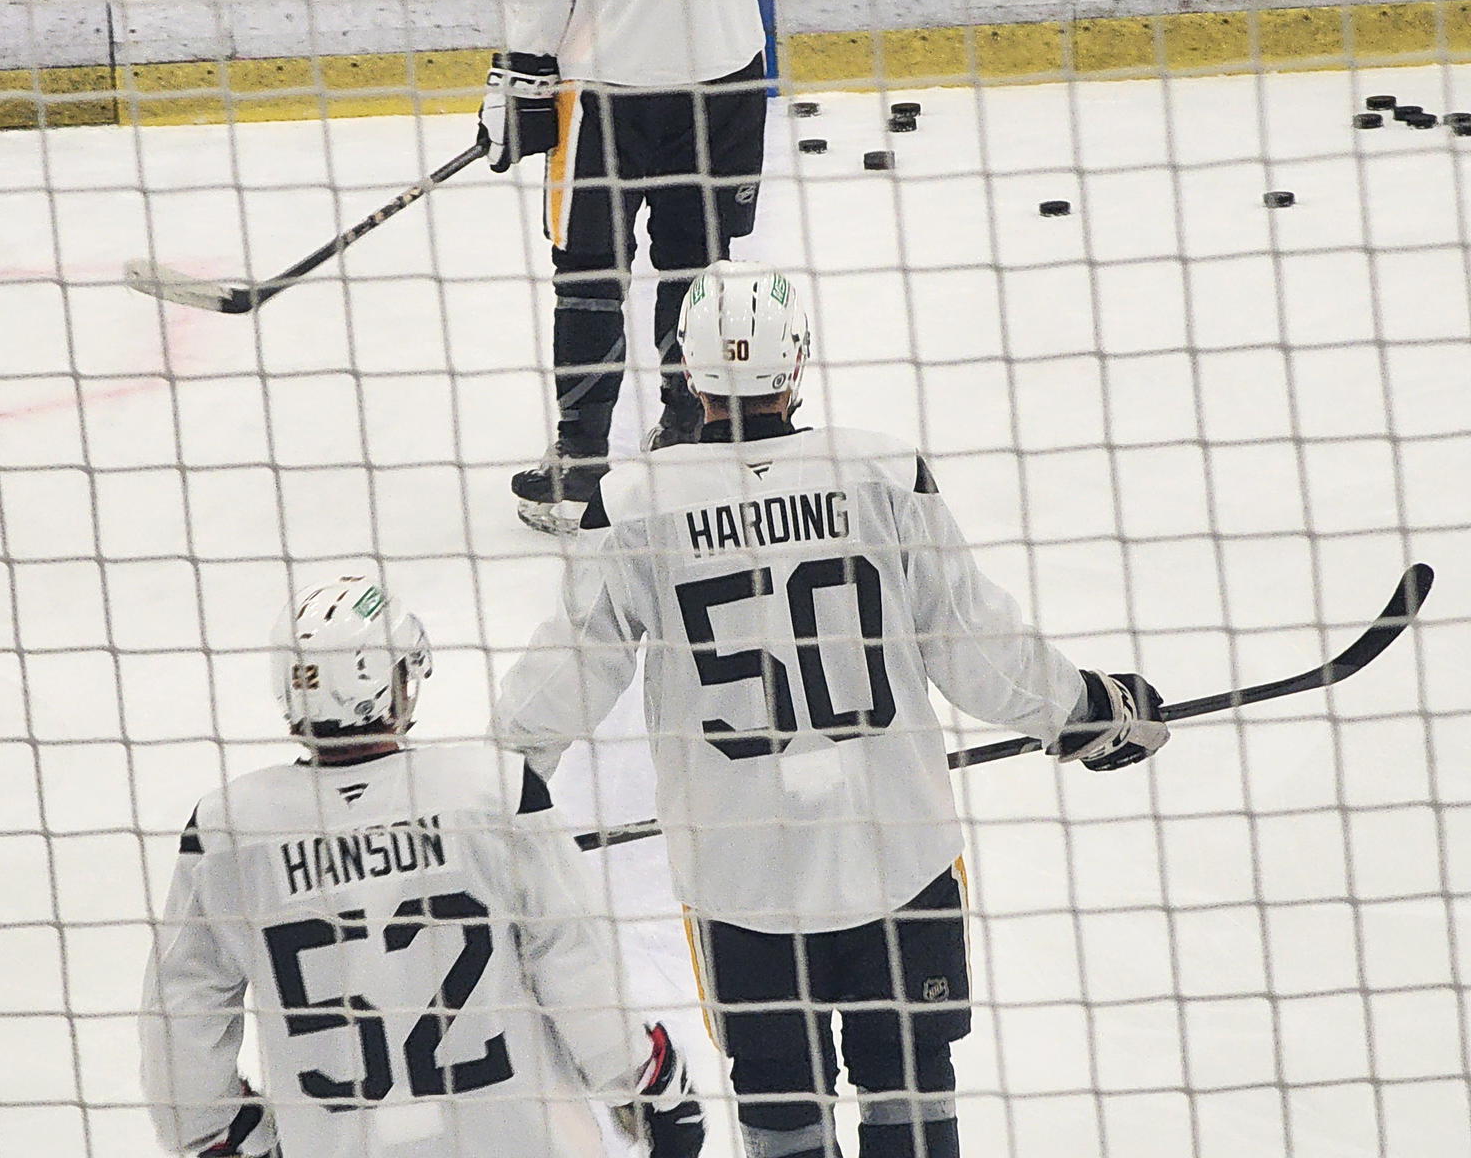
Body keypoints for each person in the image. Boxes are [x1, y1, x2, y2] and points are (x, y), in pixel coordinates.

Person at [492, 262, 1172, 1158]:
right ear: (798, 362)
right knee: (913, 1093)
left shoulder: (639, 505)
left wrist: (492, 787)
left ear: (690, 373)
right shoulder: (879, 472)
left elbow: (568, 672)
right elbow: (974, 645)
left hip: (741, 876)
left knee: (782, 1117)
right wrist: (1085, 711)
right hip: (897, 851)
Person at [139, 575, 705, 1158]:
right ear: (380, 684)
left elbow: (182, 1011)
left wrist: (218, 1134)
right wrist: (647, 1080)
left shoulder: (228, 831)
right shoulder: (492, 793)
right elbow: (571, 961)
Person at [477, 0, 769, 534]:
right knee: (698, 260)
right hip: (728, 68)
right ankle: (694, 432)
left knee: (590, 269)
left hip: (607, 83)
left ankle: (580, 463)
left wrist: (523, 75)